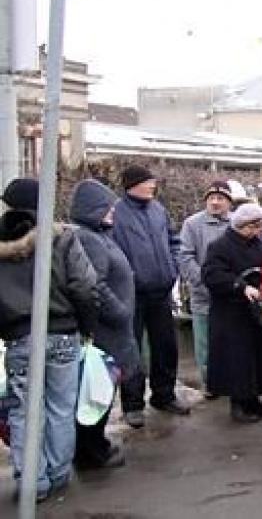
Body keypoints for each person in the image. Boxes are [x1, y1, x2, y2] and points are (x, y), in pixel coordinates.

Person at [1, 178, 99, 503]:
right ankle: (58, 475)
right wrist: (87, 327)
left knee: (23, 413)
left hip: (18, 338)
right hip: (62, 334)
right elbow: (84, 286)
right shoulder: (62, 238)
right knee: (60, 407)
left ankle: (32, 483)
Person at [69, 179, 141, 471]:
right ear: (92, 210)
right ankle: (91, 450)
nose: (113, 212)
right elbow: (93, 283)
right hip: (106, 331)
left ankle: (92, 445)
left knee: (102, 388)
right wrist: (120, 312)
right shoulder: (88, 238)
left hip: (113, 329)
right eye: (107, 208)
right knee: (98, 391)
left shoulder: (99, 235)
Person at [112, 165, 190, 428]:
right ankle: (133, 404)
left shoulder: (158, 210)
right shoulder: (117, 213)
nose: (153, 186)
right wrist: (128, 278)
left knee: (166, 346)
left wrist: (174, 267)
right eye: (148, 182)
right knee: (132, 349)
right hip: (131, 294)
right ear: (133, 184)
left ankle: (164, 395)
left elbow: (173, 241)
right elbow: (112, 251)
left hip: (161, 291)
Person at [201, 203, 262, 424]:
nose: (257, 231)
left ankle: (253, 398)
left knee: (256, 357)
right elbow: (212, 275)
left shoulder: (260, 245)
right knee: (236, 359)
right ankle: (238, 403)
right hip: (231, 312)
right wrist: (239, 285)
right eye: (253, 227)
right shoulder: (220, 246)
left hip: (256, 309)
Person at [178, 180, 234, 398]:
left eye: (220, 198)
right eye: (211, 198)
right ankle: (210, 382)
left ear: (229, 202)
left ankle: (231, 378)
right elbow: (184, 255)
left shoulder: (236, 223)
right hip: (203, 294)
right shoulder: (193, 224)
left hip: (230, 294)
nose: (215, 202)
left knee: (230, 339)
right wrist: (202, 280)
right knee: (205, 342)